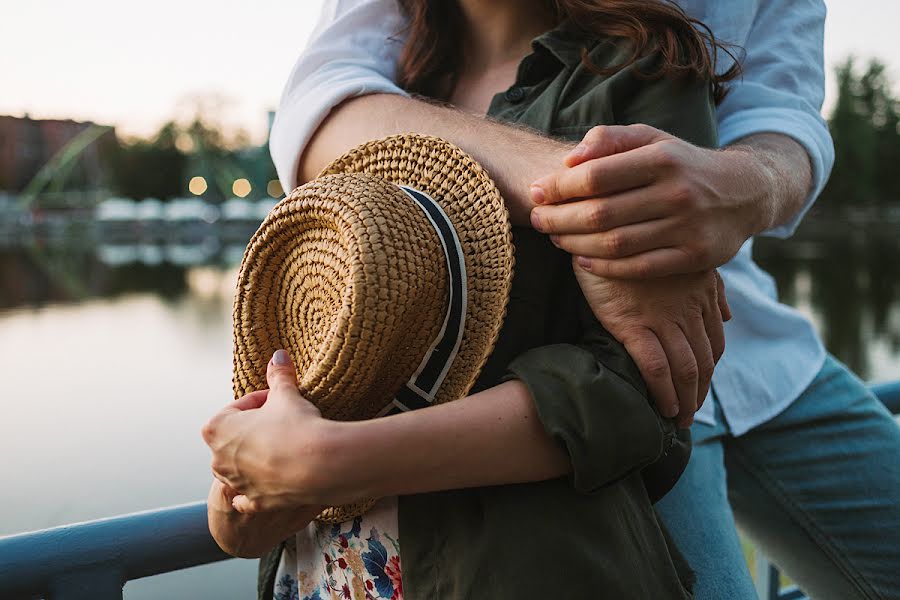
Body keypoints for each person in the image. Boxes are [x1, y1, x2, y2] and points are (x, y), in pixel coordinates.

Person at [261, 1, 900, 599]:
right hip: (612, 368)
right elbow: (322, 102)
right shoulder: (443, 58)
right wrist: (601, 205)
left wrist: (738, 186)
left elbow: (783, 113)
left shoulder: (650, 59)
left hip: (738, 346)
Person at [203, 2, 738, 598]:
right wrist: (245, 490)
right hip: (321, 570)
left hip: (515, 567)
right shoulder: (372, 91)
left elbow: (643, 391)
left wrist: (332, 463)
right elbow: (316, 339)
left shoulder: (640, 69)